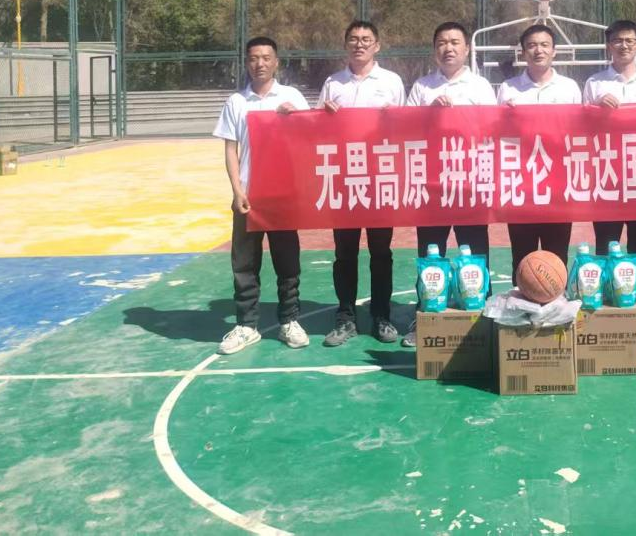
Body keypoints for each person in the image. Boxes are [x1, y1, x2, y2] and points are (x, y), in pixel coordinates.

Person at [212, 36, 310, 355]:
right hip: (248, 196)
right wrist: (237, 190)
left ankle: (289, 320)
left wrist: (294, 119)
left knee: (287, 260)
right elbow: (231, 149)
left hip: (282, 194)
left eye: (266, 58)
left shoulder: (292, 97)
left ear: (276, 62)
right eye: (254, 58)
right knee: (244, 262)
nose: (260, 63)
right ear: (246, 63)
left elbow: (310, 139)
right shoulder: (236, 102)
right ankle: (246, 325)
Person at [401, 21, 496, 348]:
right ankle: (426, 314)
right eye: (442, 42)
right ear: (434, 50)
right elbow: (407, 129)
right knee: (431, 251)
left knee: (476, 249)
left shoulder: (481, 87)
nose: (448, 48)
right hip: (432, 184)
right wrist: (429, 113)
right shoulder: (422, 87)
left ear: (467, 49)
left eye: (455, 42)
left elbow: (492, 130)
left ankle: (483, 311)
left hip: (470, 182)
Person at [318, 20, 406, 346]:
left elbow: (408, 130)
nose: (360, 44)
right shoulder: (333, 83)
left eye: (366, 39)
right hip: (344, 179)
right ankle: (345, 318)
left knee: (381, 252)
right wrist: (323, 114)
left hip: (381, 179)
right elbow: (317, 130)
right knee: (345, 253)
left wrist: (393, 117)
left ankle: (381, 316)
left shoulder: (392, 82)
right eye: (354, 39)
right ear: (345, 45)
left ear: (377, 45)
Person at [581, 20, 636, 342]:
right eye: (617, 40)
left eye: (629, 40)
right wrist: (595, 108)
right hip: (606, 177)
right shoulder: (594, 83)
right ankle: (606, 308)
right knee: (606, 245)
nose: (623, 45)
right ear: (608, 46)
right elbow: (580, 127)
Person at [497, 24, 582, 276]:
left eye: (544, 45)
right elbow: (495, 133)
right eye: (532, 45)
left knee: (557, 254)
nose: (538, 50)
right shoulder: (508, 88)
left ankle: (556, 299)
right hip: (521, 184)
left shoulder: (569, 87)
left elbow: (579, 132)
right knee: (521, 255)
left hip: (558, 184)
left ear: (554, 51)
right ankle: (520, 300)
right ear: (523, 52)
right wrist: (505, 117)